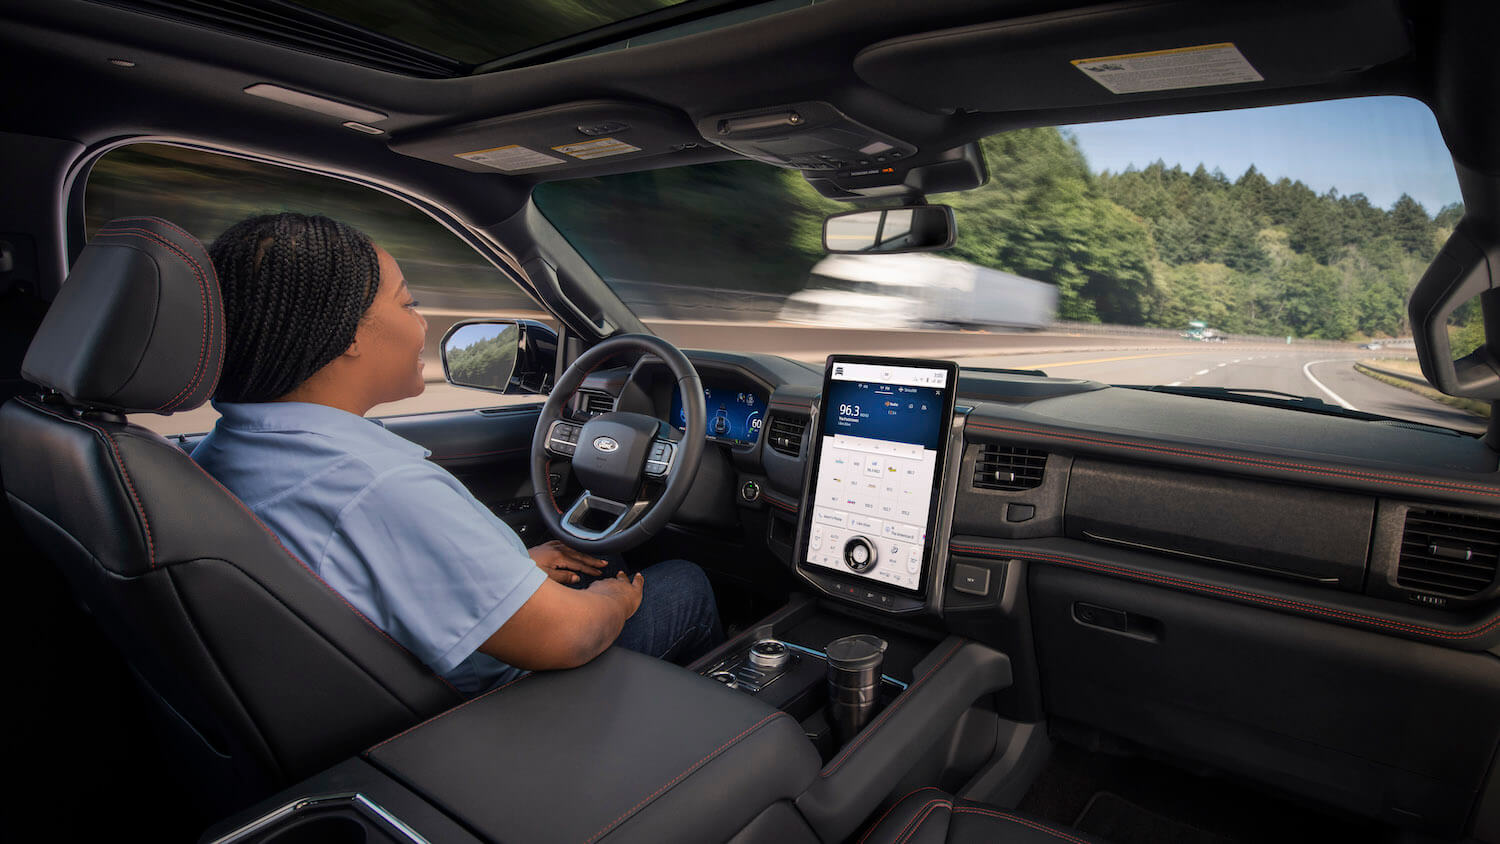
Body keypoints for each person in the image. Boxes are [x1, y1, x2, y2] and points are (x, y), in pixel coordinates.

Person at [192, 213, 721, 695]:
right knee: (686, 585)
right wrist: (615, 602)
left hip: (382, 682)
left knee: (602, 559)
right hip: (496, 705)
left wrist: (513, 567)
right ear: (346, 333)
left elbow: (370, 574)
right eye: (407, 304)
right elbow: (567, 637)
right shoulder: (377, 485)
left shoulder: (222, 453)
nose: (422, 323)